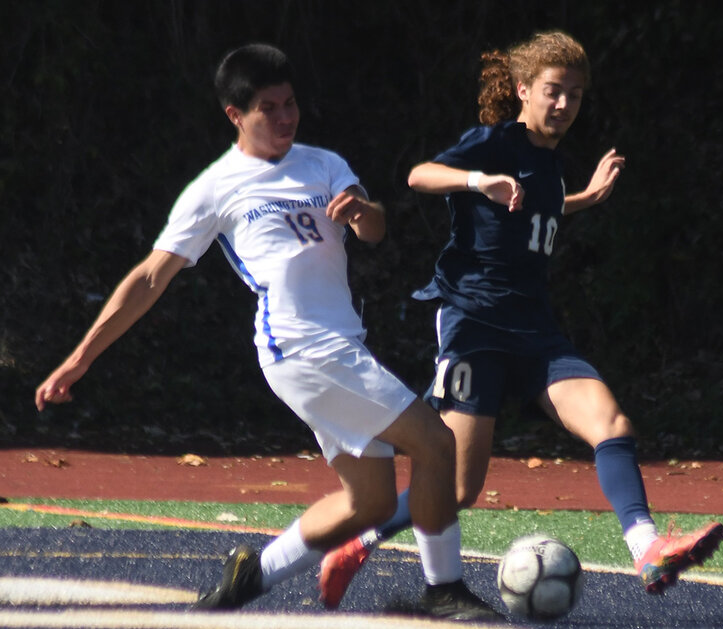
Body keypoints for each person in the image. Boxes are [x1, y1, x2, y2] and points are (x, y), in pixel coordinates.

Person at [34, 43, 501, 622]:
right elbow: (151, 277)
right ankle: (444, 592)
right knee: (435, 443)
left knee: (372, 501)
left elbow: (377, 230)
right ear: (235, 115)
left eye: (290, 104)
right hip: (299, 345)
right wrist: (81, 358)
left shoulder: (323, 162)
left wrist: (362, 211)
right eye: (268, 108)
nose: (285, 118)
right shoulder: (215, 187)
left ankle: (251, 577)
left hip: (340, 343)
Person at [319, 30, 723, 607]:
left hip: (536, 332)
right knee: (457, 488)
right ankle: (355, 543)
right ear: (523, 90)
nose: (564, 104)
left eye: (576, 95)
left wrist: (583, 198)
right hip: (475, 325)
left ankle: (648, 549)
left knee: (612, 425)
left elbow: (537, 206)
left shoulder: (550, 163)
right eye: (554, 91)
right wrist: (476, 178)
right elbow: (418, 176)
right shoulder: (494, 143)